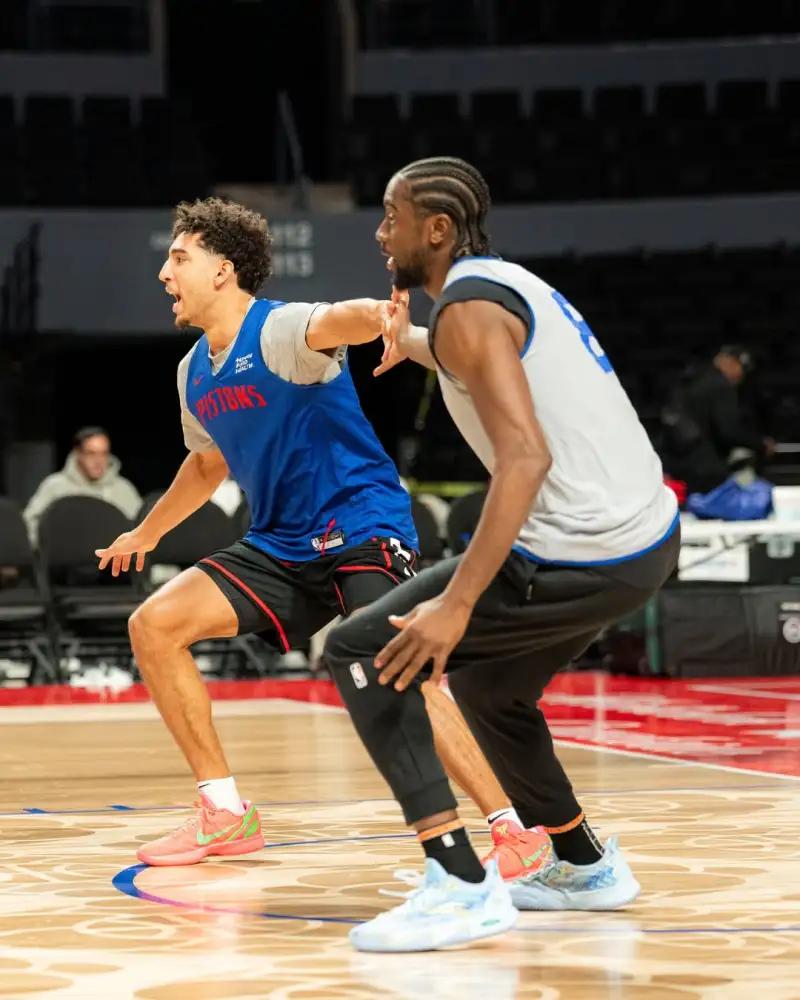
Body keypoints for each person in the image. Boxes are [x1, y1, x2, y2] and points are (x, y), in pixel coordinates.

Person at [94, 195, 543, 871]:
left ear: (222, 271)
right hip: (280, 543)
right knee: (153, 625)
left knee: (400, 667)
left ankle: (514, 831)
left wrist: (383, 316)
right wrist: (145, 533)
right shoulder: (193, 372)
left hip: (361, 523)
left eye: (178, 257)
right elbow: (207, 463)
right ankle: (223, 812)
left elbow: (341, 321)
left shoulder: (280, 331)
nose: (165, 272)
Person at [323, 157, 681, 953]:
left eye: (392, 217)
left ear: (437, 229)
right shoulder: (498, 288)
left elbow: (524, 459)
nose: (381, 234)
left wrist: (451, 608)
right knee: (491, 689)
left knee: (360, 650)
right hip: (645, 537)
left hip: (578, 548)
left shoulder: (470, 312)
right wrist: (409, 340)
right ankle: (584, 863)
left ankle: (459, 884)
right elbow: (483, 359)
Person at [660, 344, 774, 495]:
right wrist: (760, 444)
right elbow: (729, 430)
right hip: (706, 467)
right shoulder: (720, 386)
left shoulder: (695, 379)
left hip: (680, 461)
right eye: (737, 365)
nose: (740, 372)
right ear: (722, 360)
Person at [23, 426, 142, 544]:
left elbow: (144, 529)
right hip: (67, 558)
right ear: (78, 454)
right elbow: (30, 526)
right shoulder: (55, 487)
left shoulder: (123, 489)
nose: (98, 461)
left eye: (104, 454)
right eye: (91, 454)